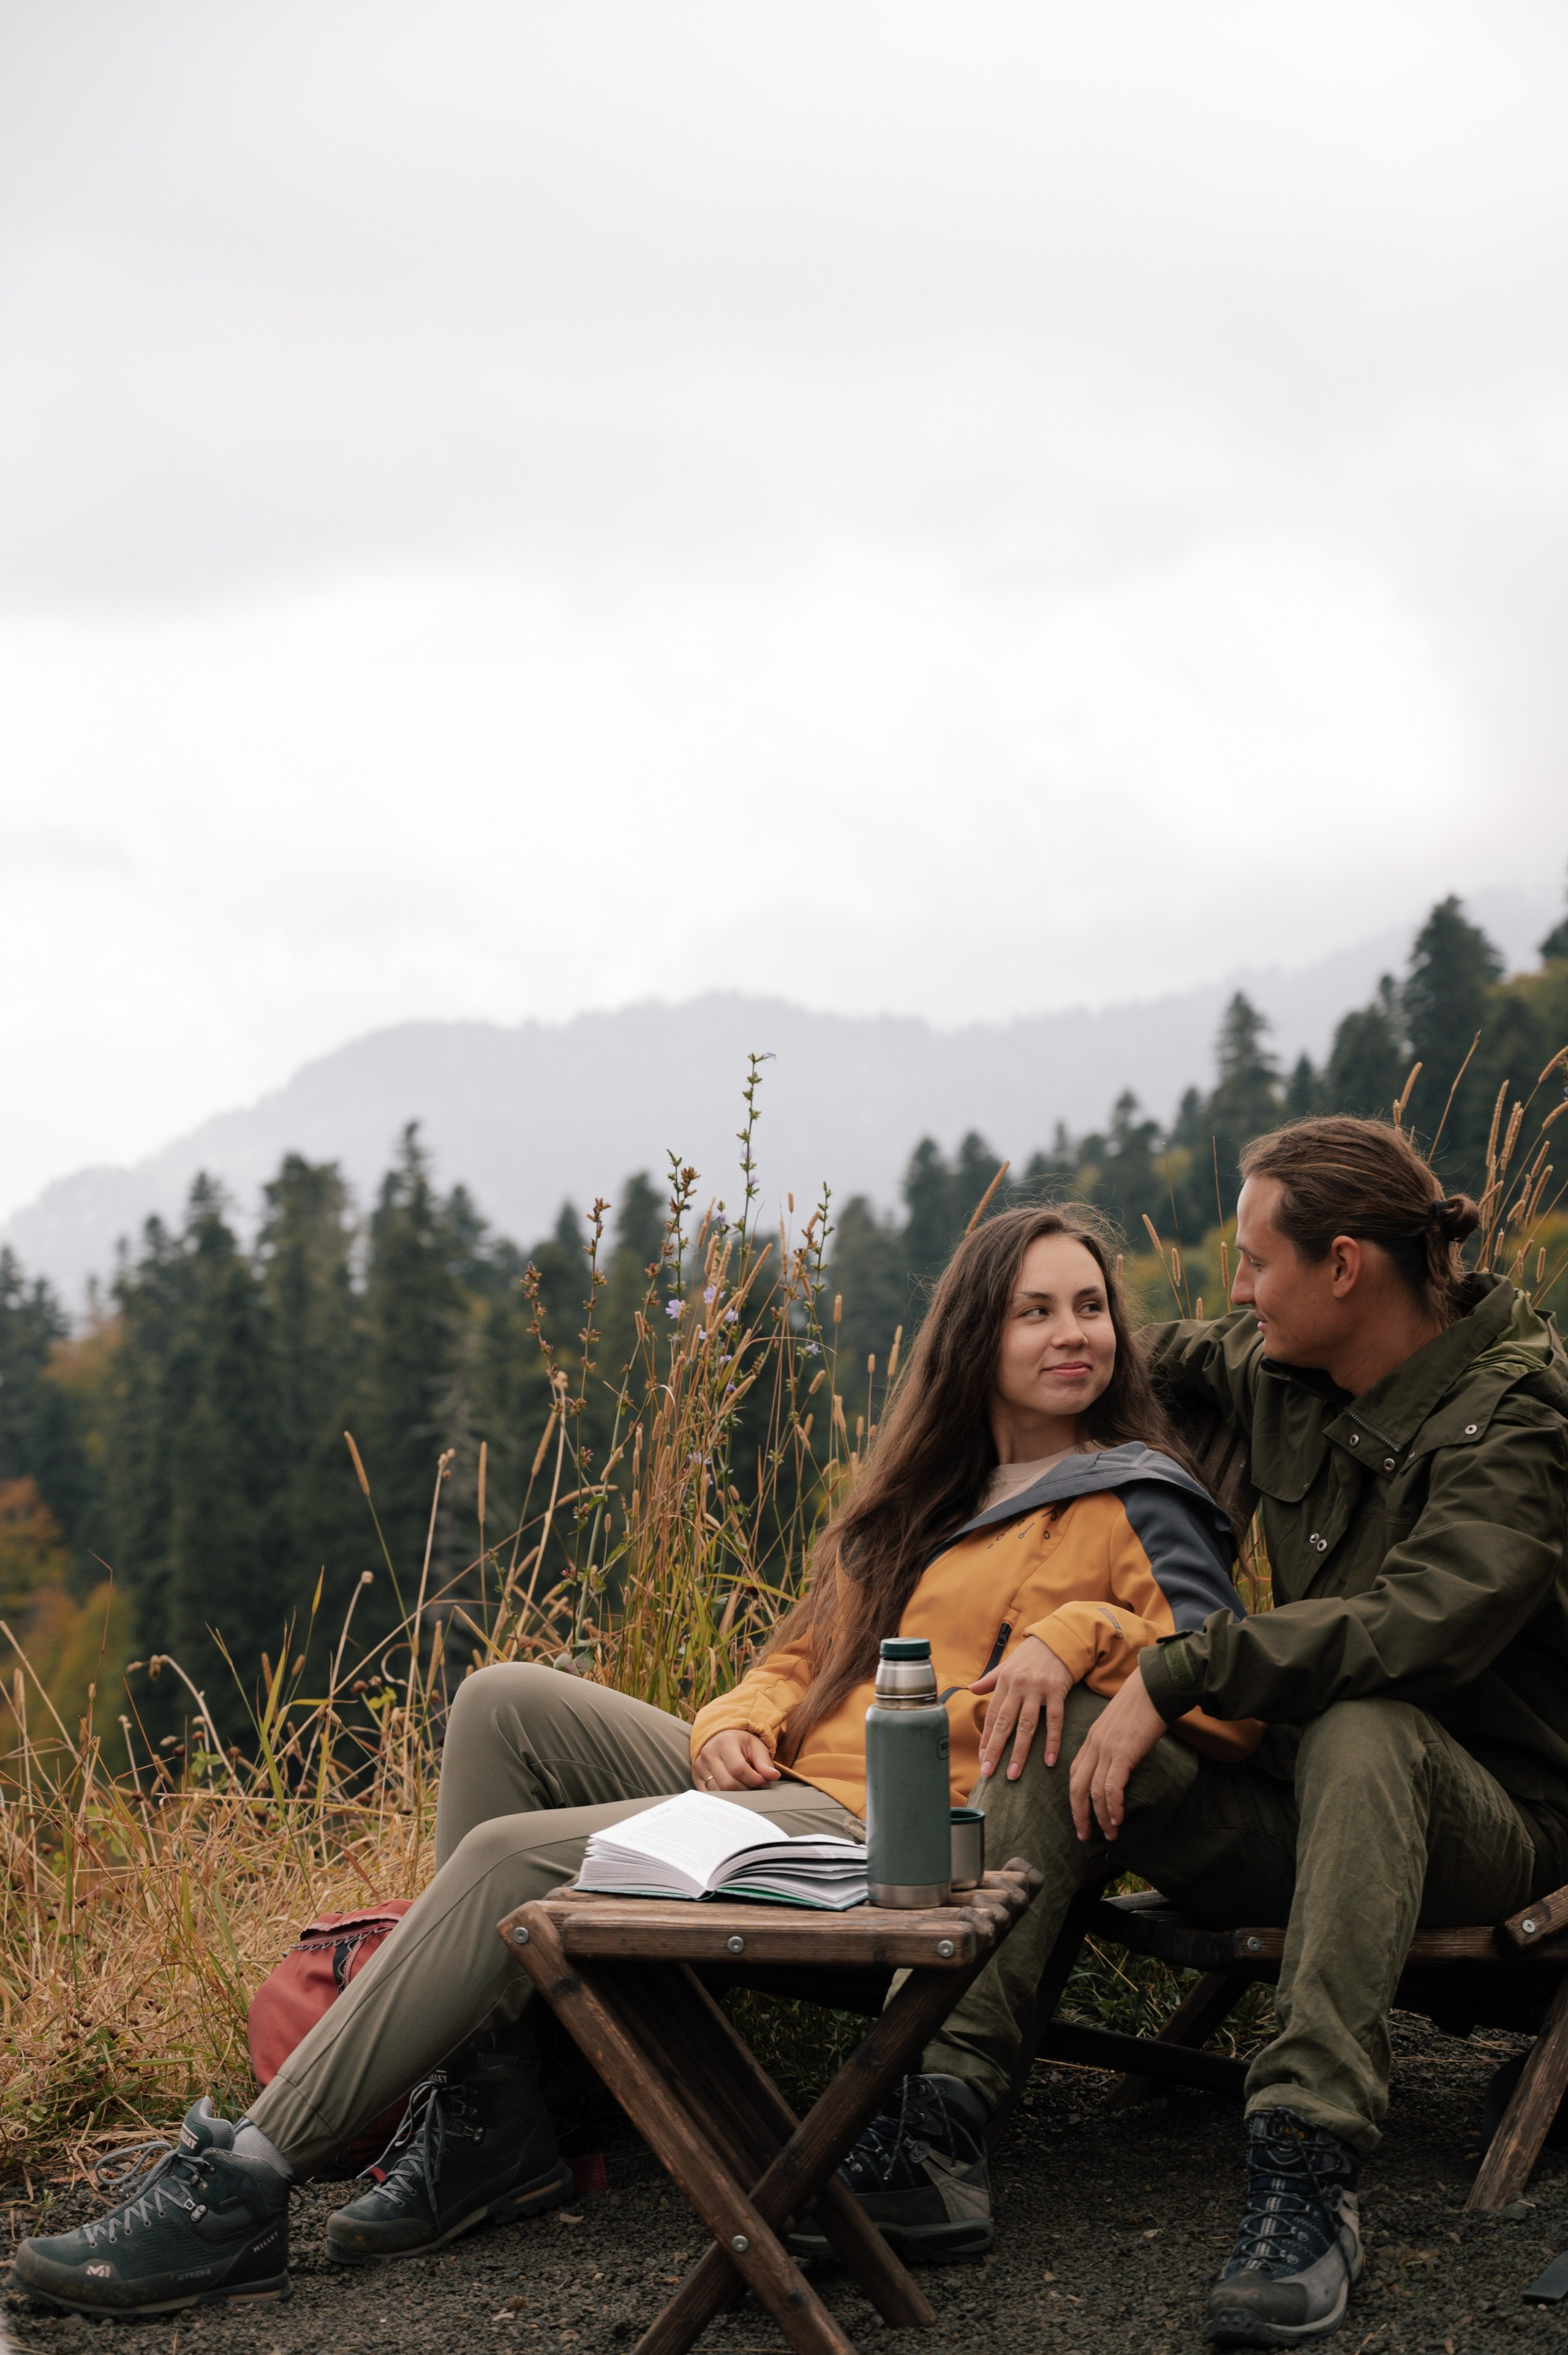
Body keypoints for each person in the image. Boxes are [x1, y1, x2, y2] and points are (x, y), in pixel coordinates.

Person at [13, 1204, 1252, 2319]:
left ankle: (242, 2179)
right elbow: (806, 1652)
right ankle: (495, 2111)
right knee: (503, 1698)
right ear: (975, 1334)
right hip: (785, 1783)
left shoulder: (1136, 1494)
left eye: (1087, 1305)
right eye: (1034, 1308)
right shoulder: (925, 1494)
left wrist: (1079, 1632)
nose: (1069, 1331)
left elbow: (1218, 1674)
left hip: (895, 1836)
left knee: (509, 1861)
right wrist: (735, 1712)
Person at [827, 1115, 1568, 2351]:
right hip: (1303, 1807)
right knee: (1060, 1711)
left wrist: (1176, 1663)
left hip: (1497, 1821)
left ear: (1343, 1265)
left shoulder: (1518, 1419)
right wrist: (1005, 1373)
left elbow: (1418, 1628)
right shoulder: (1279, 1368)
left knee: (1366, 1721)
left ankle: (1306, 2160)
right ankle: (938, 2113)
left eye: (1252, 1260)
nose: (1232, 1287)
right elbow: (1115, 1352)